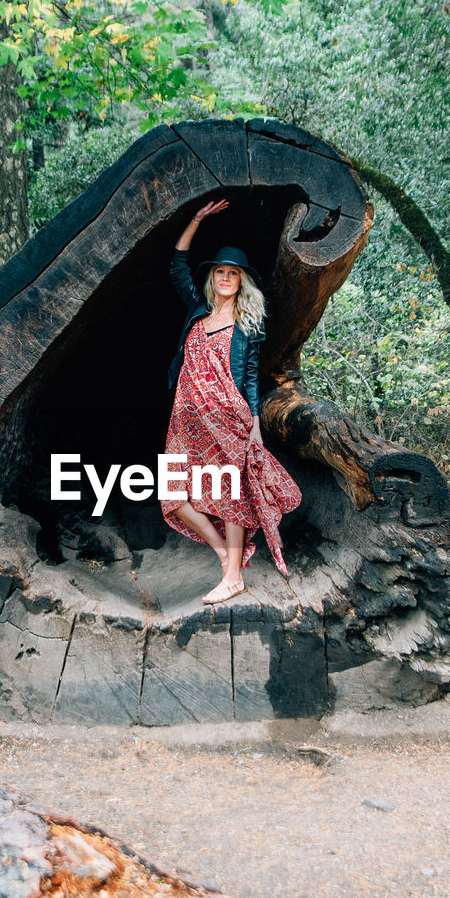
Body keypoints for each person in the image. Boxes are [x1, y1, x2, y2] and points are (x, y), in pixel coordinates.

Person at [161, 199, 301, 603]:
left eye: (232, 273)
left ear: (241, 281)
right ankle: (225, 555)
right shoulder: (196, 311)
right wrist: (197, 220)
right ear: (213, 278)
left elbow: (251, 375)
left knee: (229, 494)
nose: (225, 278)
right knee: (173, 495)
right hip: (185, 420)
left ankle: (232, 576)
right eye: (220, 272)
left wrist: (255, 421)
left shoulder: (247, 326)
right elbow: (177, 263)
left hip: (227, 415)